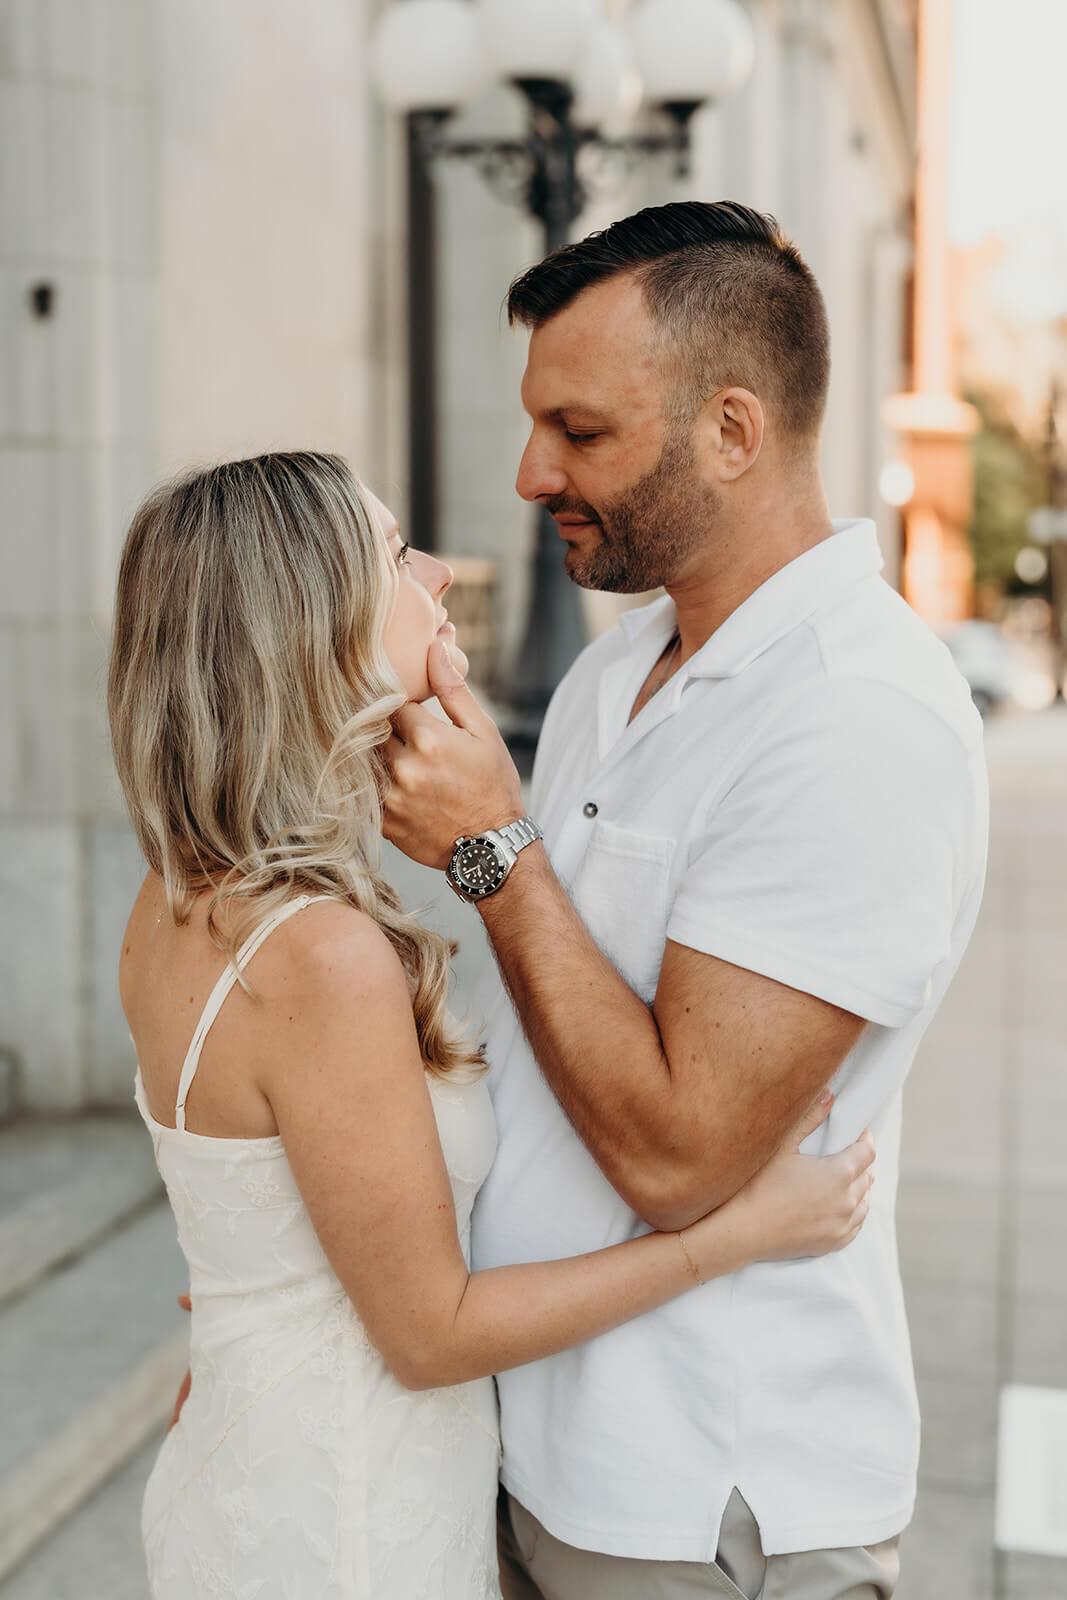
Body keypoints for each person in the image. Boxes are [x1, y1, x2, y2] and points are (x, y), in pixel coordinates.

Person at [109, 450, 874, 1599]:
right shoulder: (319, 956)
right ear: (315, 629)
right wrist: (733, 1233)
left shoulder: (173, 897)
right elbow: (430, 1332)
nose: (433, 571)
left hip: (253, 1468)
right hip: (350, 1524)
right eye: (391, 554)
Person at [381, 202, 990, 1599]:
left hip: (699, 1495)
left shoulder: (855, 720)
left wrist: (492, 853)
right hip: (532, 1446)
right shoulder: (618, 669)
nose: (531, 474)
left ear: (730, 431)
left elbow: (676, 1156)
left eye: (580, 432)